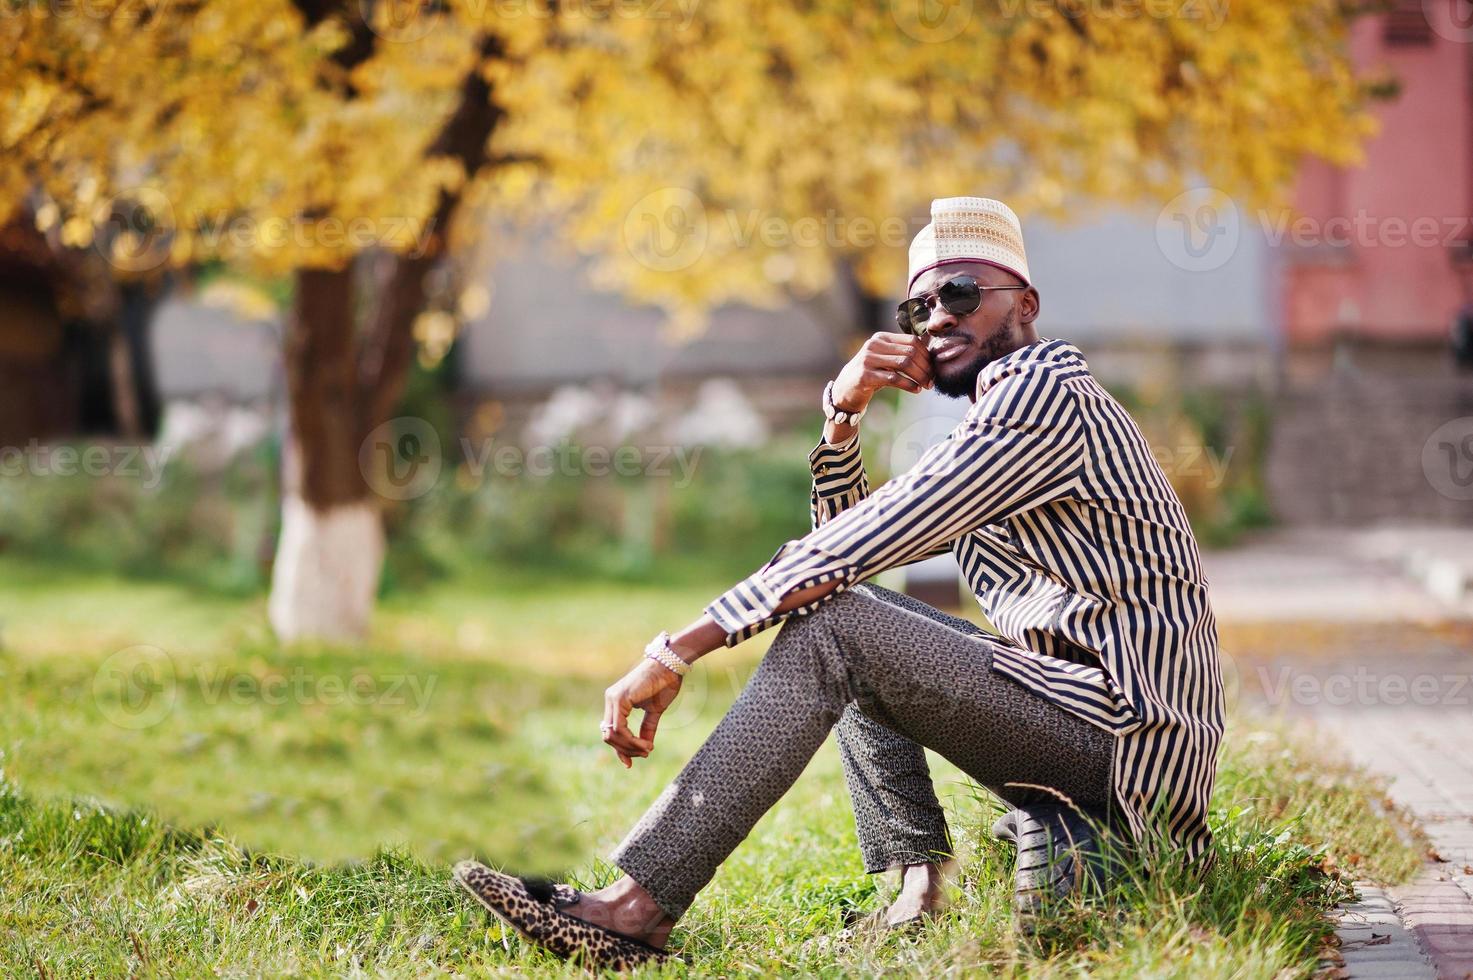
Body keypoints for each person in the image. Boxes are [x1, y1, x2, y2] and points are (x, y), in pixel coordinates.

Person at [454, 197, 1224, 970]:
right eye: (919, 306)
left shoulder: (1040, 397)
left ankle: (635, 913)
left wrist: (678, 649)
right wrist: (842, 415)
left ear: (1023, 304)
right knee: (843, 618)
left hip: (1126, 740)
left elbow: (852, 550)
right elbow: (841, 558)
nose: (936, 319)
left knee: (837, 626)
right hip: (1083, 712)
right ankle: (918, 885)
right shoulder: (998, 409)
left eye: (960, 294)